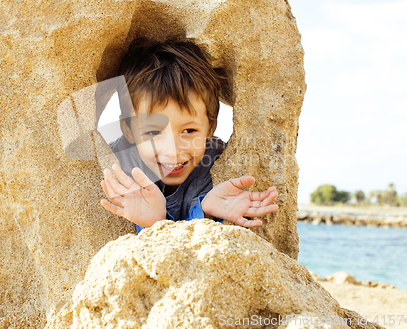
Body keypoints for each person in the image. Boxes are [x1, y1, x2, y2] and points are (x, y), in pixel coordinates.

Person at [99, 38, 278, 233]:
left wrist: (206, 212)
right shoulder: (118, 166)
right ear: (128, 130)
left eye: (189, 131)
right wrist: (151, 224)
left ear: (211, 127)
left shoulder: (217, 164)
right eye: (153, 132)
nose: (173, 150)